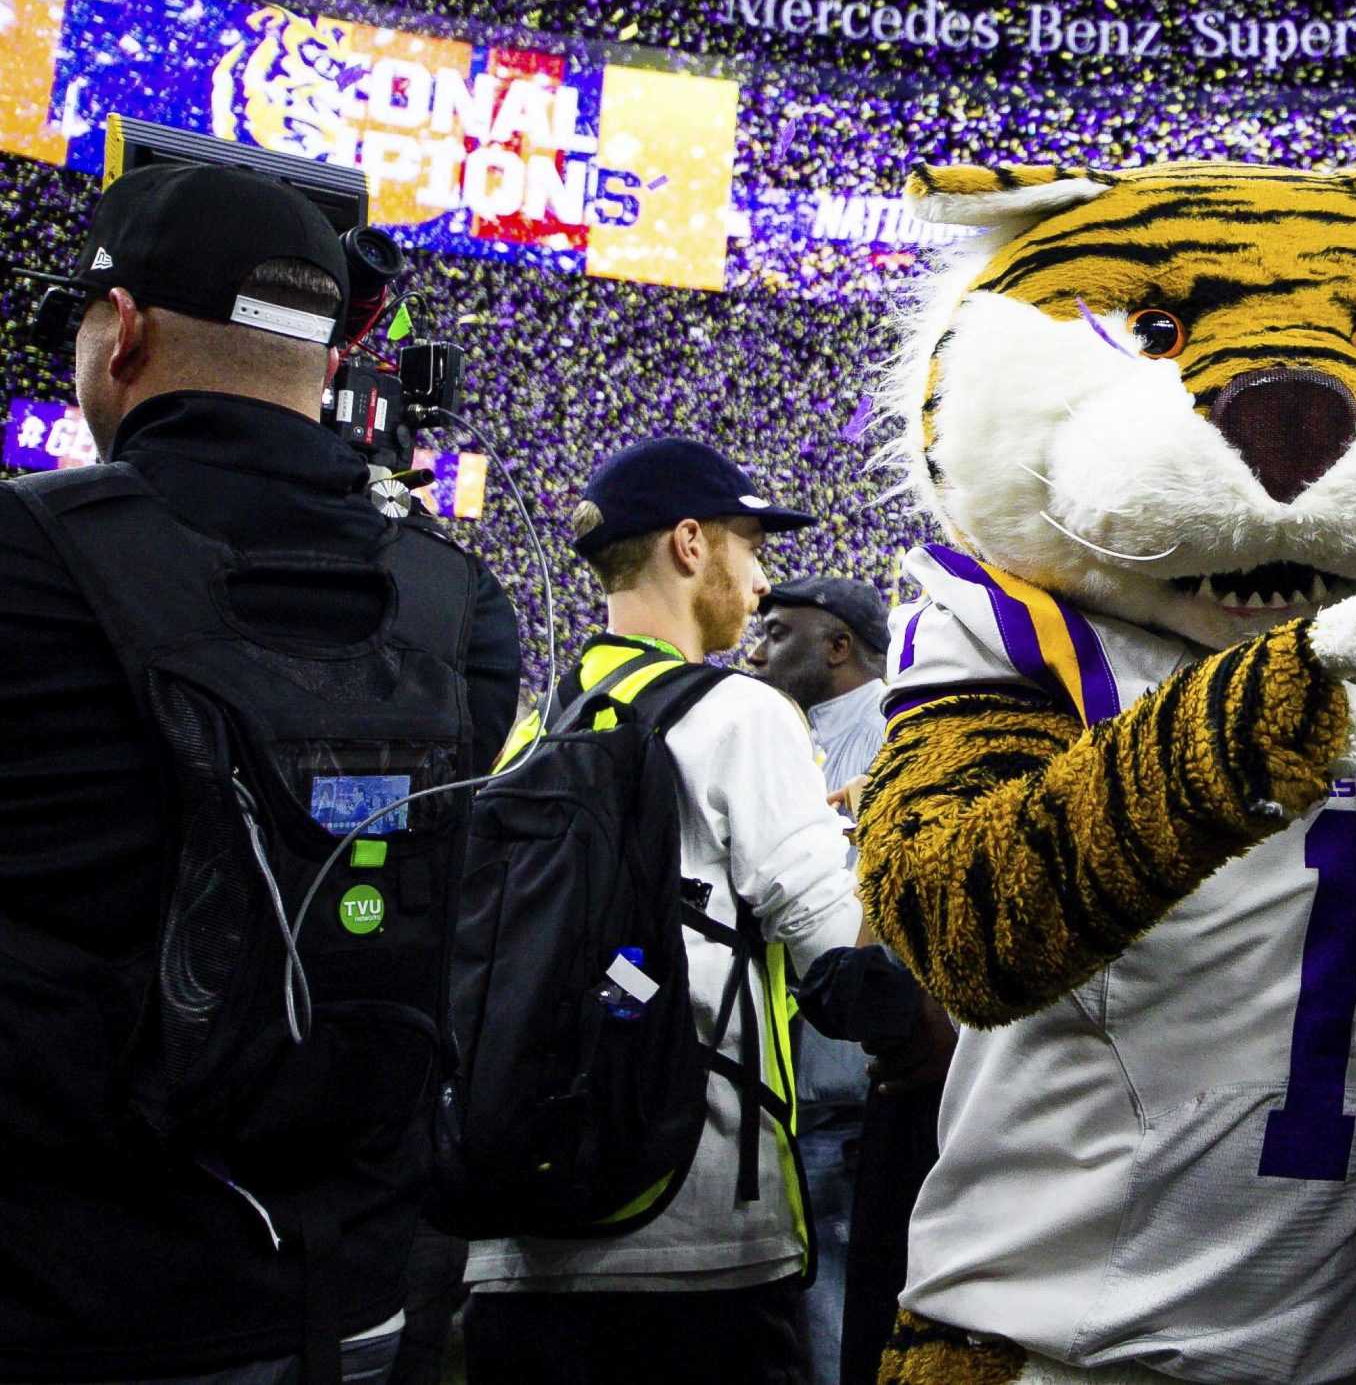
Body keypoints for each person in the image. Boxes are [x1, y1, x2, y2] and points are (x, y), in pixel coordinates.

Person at [0, 162, 520, 1384]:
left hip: (60, 1299)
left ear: (121, 330)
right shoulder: (463, 609)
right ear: (329, 364)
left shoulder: (25, 556)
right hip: (345, 1299)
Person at [462, 437, 866, 1385]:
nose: (761, 581)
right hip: (695, 1231)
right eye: (749, 544)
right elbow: (838, 950)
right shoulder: (742, 712)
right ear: (690, 543)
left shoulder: (534, 727)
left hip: (522, 1233)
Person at [744, 575, 916, 1385]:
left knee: (840, 1294)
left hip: (852, 1083)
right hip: (807, 1078)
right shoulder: (795, 732)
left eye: (778, 633)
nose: (756, 649)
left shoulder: (895, 732)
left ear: (837, 645)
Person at [747, 576, 893, 804]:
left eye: (775, 635)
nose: (755, 655)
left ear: (838, 648)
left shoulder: (886, 740)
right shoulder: (808, 734)